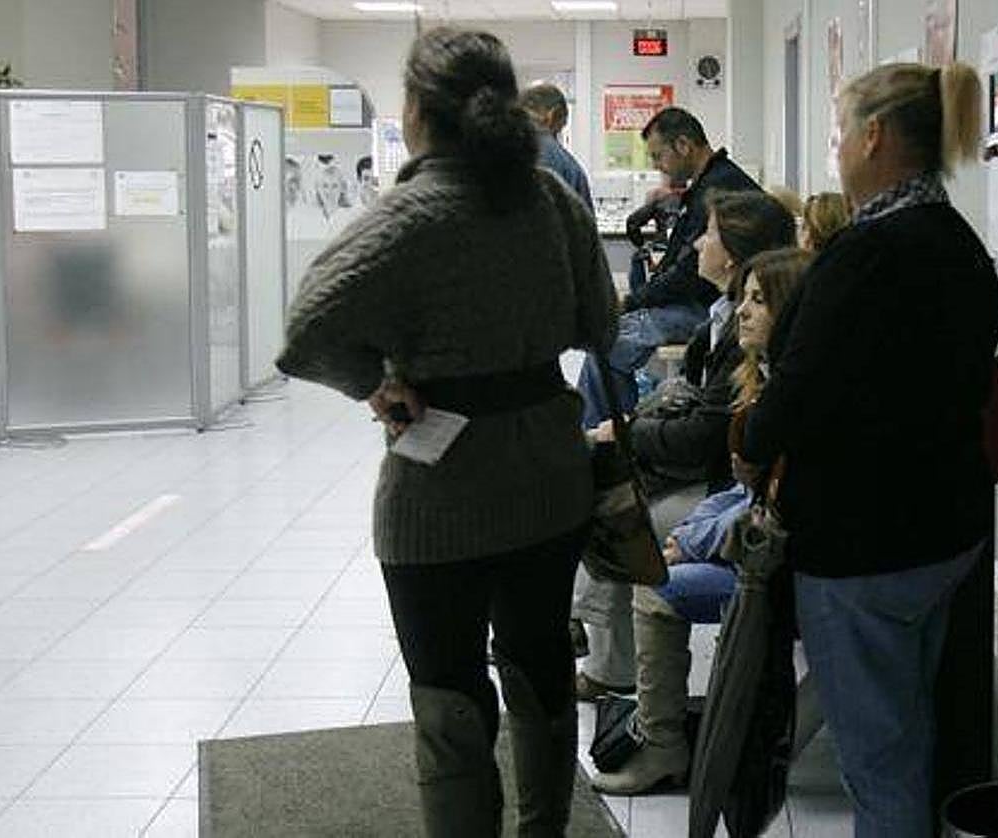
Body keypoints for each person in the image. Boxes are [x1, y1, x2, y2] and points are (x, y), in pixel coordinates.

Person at [276, 27, 618, 837]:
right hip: (546, 473)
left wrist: (377, 383)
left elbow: (305, 332)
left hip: (438, 491)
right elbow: (601, 323)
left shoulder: (407, 215)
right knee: (539, 665)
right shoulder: (553, 202)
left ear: (418, 114)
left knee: (448, 691)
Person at [736, 62, 998, 838]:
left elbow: (797, 391)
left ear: (875, 135)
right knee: (907, 731)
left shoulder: (868, 255)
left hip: (864, 547)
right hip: (945, 533)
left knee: (878, 760)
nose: (837, 148)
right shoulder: (959, 245)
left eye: (840, 131)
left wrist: (750, 442)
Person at [591, 247, 813, 795]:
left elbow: (768, 506)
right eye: (742, 298)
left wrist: (691, 543)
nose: (741, 312)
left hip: (788, 565)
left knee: (654, 588)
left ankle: (662, 743)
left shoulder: (792, 396)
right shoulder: (757, 376)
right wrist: (692, 537)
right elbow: (740, 492)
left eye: (758, 302)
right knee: (628, 525)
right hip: (753, 536)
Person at [573, 191, 796, 703]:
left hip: (714, 488)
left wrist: (627, 432)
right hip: (714, 487)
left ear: (736, 256)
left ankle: (612, 668)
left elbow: (702, 439)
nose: (697, 241)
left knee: (617, 516)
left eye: (710, 232)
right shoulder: (722, 319)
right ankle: (599, 644)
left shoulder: (746, 341)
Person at [576, 106, 759, 428]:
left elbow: (689, 274)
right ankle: (608, 431)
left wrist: (631, 302)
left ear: (684, 146)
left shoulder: (719, 189)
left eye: (659, 156)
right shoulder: (712, 183)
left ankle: (606, 437)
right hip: (707, 302)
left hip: (704, 306)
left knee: (606, 342)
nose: (656, 165)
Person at [520, 83, 593, 212]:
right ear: (553, 115)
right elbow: (585, 228)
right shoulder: (569, 168)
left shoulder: (492, 154)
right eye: (561, 126)